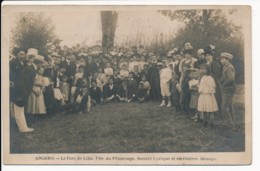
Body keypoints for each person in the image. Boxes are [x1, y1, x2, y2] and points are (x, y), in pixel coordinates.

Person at [12, 48, 38, 132]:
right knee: (18, 108)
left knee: (19, 108)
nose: (22, 56)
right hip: (17, 89)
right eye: (20, 54)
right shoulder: (13, 63)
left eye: (23, 54)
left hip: (22, 89)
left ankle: (22, 126)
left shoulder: (23, 64)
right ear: (16, 54)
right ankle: (23, 128)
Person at [197, 64, 218, 128]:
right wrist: (200, 89)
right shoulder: (203, 77)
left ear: (208, 70)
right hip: (203, 96)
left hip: (208, 96)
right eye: (201, 69)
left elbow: (212, 87)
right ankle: (205, 121)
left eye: (204, 69)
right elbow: (201, 86)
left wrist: (206, 91)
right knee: (204, 110)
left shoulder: (210, 78)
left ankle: (211, 123)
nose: (202, 70)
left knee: (210, 110)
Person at [220, 52, 237, 130]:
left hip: (228, 89)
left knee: (224, 107)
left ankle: (230, 125)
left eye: (223, 59)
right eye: (221, 59)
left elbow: (231, 79)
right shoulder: (226, 67)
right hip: (228, 89)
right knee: (229, 107)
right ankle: (233, 124)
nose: (221, 60)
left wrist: (223, 85)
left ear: (228, 60)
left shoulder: (229, 67)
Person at [204, 45, 222, 114]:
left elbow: (217, 74)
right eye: (206, 55)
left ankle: (218, 111)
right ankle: (211, 110)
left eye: (209, 55)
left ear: (212, 56)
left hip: (214, 82)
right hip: (206, 83)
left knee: (216, 96)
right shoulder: (205, 64)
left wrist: (210, 79)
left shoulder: (214, 63)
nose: (207, 57)